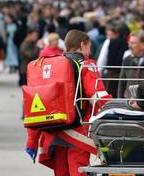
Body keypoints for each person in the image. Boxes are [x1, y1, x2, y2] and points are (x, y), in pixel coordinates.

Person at [25, 29, 111, 176]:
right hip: (77, 131)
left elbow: (37, 104)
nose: (90, 52)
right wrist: (114, 110)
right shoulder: (85, 64)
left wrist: (32, 140)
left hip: (52, 131)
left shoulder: (51, 65)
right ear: (82, 45)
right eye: (89, 47)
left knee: (61, 171)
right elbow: (98, 96)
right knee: (77, 170)